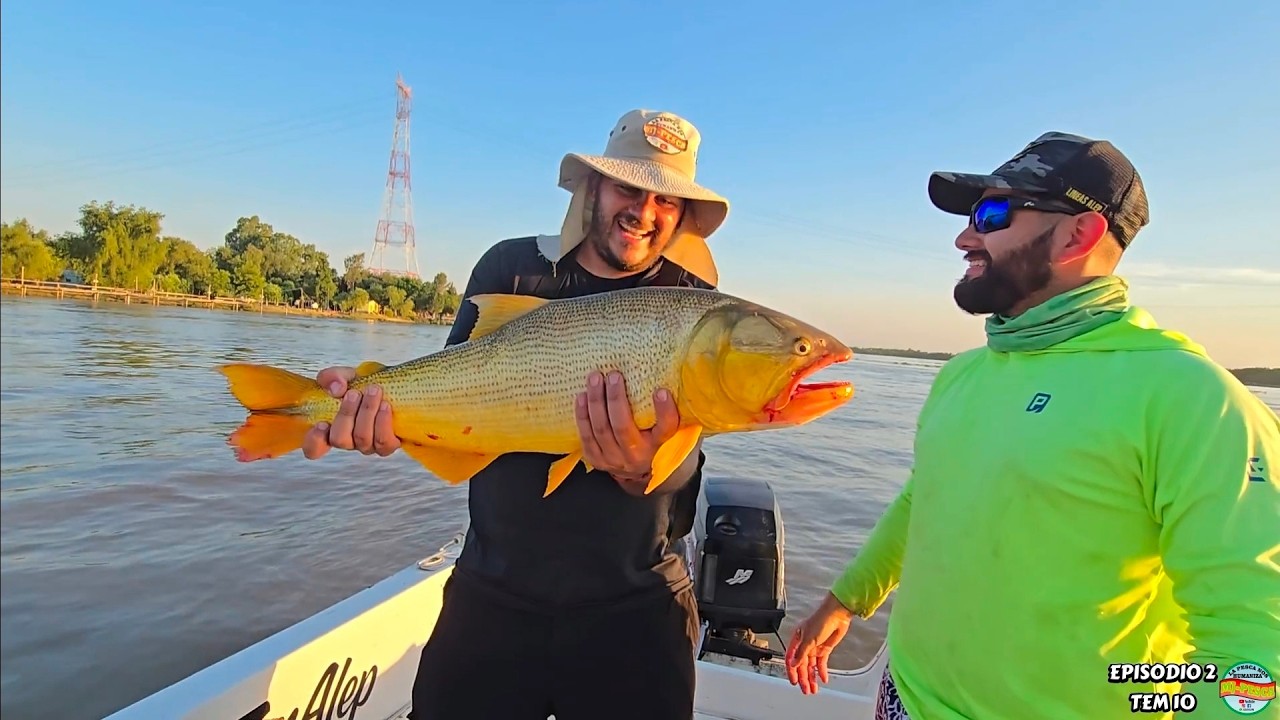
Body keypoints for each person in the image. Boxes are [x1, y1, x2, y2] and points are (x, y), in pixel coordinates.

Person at [785, 131, 1280, 719]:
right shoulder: (962, 376)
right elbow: (925, 498)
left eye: (993, 214)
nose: (965, 236)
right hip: (903, 701)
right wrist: (846, 600)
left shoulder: (1191, 398)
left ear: (1081, 232)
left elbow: (1255, 650)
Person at [301, 109, 731, 719]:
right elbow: (450, 394)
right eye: (628, 188)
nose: (644, 210)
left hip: (636, 609)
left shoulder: (694, 306)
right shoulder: (511, 268)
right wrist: (375, 410)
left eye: (666, 199)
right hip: (492, 595)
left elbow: (688, 465)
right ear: (594, 187)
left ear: (684, 214)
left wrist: (643, 471)